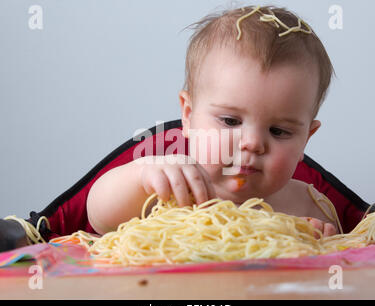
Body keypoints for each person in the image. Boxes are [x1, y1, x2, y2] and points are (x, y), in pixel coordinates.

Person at [86, 5, 338, 237]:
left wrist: (322, 242)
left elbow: (345, 261)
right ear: (188, 115)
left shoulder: (310, 204)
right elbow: (99, 217)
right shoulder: (169, 190)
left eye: (278, 131)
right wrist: (142, 176)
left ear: (306, 139)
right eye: (230, 121)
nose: (251, 144)